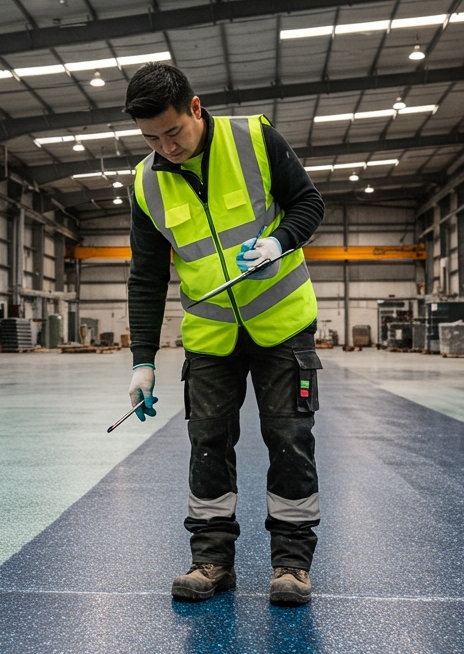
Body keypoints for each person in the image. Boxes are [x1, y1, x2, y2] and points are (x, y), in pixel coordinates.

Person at [124, 63, 326, 607]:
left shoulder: (255, 139)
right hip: (210, 335)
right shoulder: (146, 183)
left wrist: (278, 242)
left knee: (289, 438)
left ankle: (291, 564)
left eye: (173, 132)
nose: (166, 147)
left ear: (195, 108)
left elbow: (310, 203)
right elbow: (146, 276)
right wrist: (143, 360)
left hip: (282, 324)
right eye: (151, 139)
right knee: (207, 443)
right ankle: (211, 561)